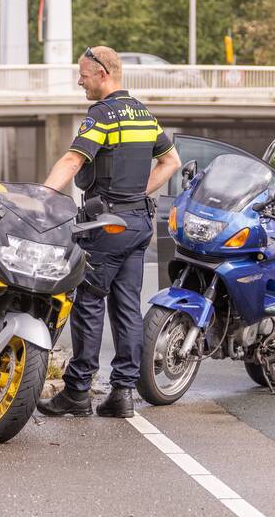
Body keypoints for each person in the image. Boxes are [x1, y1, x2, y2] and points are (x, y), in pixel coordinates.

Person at [38, 46, 181, 419]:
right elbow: (171, 162)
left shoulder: (101, 115)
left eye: (83, 74)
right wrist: (138, 193)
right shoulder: (143, 113)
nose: (79, 81)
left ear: (103, 73)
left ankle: (77, 392)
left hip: (107, 225)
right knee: (127, 308)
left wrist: (39, 199)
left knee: (87, 303)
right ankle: (122, 393)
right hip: (137, 224)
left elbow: (73, 160)